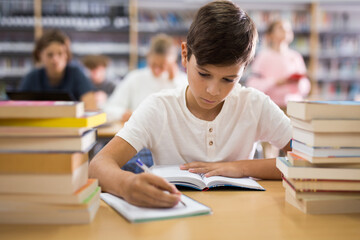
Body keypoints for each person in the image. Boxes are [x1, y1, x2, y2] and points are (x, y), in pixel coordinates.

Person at [89, 0, 292, 208]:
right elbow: (98, 165)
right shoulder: (159, 108)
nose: (213, 90)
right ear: (185, 55)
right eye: (204, 74)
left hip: (239, 219)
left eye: (229, 79)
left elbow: (311, 161)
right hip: (173, 218)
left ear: (244, 69)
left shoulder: (255, 105)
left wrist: (241, 167)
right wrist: (126, 184)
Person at [104, 33, 187, 123]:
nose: (157, 70)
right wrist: (124, 114)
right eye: (153, 64)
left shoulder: (182, 81)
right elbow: (109, 109)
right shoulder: (135, 78)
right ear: (148, 57)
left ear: (173, 61)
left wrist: (174, 80)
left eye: (163, 66)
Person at [19, 29, 97, 110]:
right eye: (50, 55)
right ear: (39, 55)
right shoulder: (32, 78)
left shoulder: (76, 74)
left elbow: (91, 108)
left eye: (60, 54)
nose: (55, 60)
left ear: (67, 54)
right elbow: (19, 108)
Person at [246, 20, 311, 110]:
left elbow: (306, 86)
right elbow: (252, 84)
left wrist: (298, 83)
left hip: (293, 107)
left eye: (289, 29)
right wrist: (275, 82)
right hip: (270, 107)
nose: (286, 30)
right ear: (271, 34)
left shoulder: (296, 57)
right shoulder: (263, 57)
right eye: (281, 28)